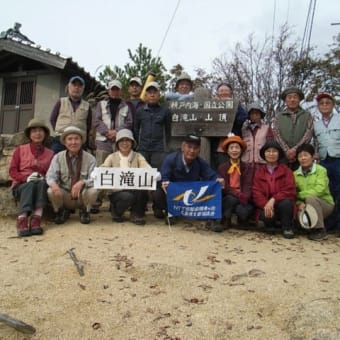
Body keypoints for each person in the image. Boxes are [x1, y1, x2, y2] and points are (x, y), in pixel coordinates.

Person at [153, 134, 224, 229]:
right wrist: (165, 182)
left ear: (199, 150)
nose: (192, 151)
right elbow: (164, 176)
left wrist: (218, 179)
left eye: (195, 148)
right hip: (174, 195)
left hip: (190, 195)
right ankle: (170, 212)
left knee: (214, 188)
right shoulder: (171, 159)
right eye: (189, 147)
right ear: (182, 147)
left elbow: (211, 175)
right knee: (158, 194)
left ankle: (212, 220)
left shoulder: (200, 162)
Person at [9, 118, 54, 236]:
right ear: (29, 134)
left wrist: (42, 177)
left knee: (40, 183)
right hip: (21, 186)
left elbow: (52, 173)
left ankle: (36, 218)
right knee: (29, 185)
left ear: (45, 134)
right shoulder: (20, 150)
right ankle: (22, 218)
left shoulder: (50, 153)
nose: (37, 134)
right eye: (34, 131)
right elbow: (12, 171)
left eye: (40, 131)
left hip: (41, 185)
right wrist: (25, 178)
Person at [46, 126, 98, 225]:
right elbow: (50, 176)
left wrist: (82, 182)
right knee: (50, 190)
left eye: (76, 139)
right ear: (65, 142)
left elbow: (95, 178)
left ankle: (85, 211)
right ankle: (62, 211)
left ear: (81, 141)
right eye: (70, 139)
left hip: (82, 196)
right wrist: (54, 186)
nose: (73, 142)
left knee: (94, 190)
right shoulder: (58, 157)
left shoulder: (90, 158)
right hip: (65, 194)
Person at [100, 129, 152, 225]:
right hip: (117, 192)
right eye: (121, 140)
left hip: (134, 189)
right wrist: (97, 173)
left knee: (143, 190)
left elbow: (146, 167)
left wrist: (153, 173)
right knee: (127, 197)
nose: (125, 143)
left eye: (127, 140)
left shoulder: (138, 156)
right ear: (117, 143)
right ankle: (116, 211)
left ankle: (137, 214)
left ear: (132, 143)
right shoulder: (112, 157)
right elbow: (104, 168)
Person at [252, 141, 296, 239]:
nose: (271, 154)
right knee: (267, 216)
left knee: (287, 203)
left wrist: (273, 199)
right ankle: (270, 225)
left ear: (279, 154)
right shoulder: (259, 172)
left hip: (281, 204)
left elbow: (289, 190)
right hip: (266, 205)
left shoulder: (286, 170)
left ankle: (287, 228)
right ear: (264, 154)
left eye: (274, 151)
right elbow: (256, 192)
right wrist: (266, 204)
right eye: (268, 151)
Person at [294, 144, 334, 241]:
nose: (303, 158)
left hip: (324, 204)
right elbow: (293, 193)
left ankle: (319, 230)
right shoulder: (295, 174)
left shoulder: (321, 170)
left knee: (311, 198)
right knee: (299, 215)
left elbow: (320, 189)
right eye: (300, 156)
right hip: (304, 205)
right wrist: (299, 203)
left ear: (312, 156)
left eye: (305, 155)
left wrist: (300, 195)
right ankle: (308, 227)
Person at [313, 92, 340, 236]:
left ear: (333, 105)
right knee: (327, 192)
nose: (324, 105)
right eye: (321, 103)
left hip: (338, 159)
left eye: (327, 103)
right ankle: (330, 223)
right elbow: (316, 143)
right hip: (324, 160)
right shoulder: (316, 125)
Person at [217, 135, 253, 231]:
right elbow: (225, 187)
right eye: (231, 148)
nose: (234, 150)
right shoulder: (222, 167)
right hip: (229, 195)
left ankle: (242, 220)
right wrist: (237, 194)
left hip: (243, 196)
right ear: (227, 151)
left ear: (241, 150)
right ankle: (226, 219)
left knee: (244, 211)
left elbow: (248, 184)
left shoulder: (248, 167)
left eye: (237, 147)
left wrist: (245, 196)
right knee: (230, 199)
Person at [272, 87, 314, 170]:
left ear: (299, 100)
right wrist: (286, 150)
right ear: (285, 100)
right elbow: (276, 134)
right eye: (289, 97)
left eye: (295, 97)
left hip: (301, 155)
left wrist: (295, 150)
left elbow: (308, 133)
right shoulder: (279, 116)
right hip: (283, 156)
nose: (292, 100)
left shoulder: (307, 115)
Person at [94, 79, 133, 165]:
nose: (115, 91)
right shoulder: (100, 104)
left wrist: (116, 132)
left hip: (119, 142)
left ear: (121, 91)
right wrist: (107, 132)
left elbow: (129, 123)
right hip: (102, 143)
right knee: (101, 168)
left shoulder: (126, 106)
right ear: (108, 91)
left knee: (119, 168)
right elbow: (97, 121)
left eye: (117, 89)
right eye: (113, 89)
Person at [134, 81, 171, 171]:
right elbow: (136, 128)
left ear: (159, 95)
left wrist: (166, 148)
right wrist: (138, 145)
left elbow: (168, 130)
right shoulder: (140, 111)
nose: (152, 95)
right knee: (142, 174)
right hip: (142, 148)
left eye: (155, 92)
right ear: (146, 95)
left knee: (157, 174)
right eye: (150, 93)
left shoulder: (165, 111)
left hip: (158, 149)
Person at [50, 76, 92, 154]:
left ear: (83, 89)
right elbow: (53, 119)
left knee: (81, 163)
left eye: (80, 86)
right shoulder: (61, 101)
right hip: (61, 139)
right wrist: (60, 130)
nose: (77, 88)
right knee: (55, 159)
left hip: (79, 140)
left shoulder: (87, 105)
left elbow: (88, 124)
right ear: (69, 87)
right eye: (74, 85)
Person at [212, 83, 248, 169]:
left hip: (232, 147)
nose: (223, 93)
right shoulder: (212, 105)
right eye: (221, 91)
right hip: (216, 147)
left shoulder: (236, 105)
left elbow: (243, 118)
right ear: (217, 94)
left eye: (226, 91)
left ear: (231, 93)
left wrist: (231, 105)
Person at [241, 103, 273, 178]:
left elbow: (270, 145)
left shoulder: (267, 128)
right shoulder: (243, 130)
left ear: (261, 115)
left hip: (262, 164)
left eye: (257, 114)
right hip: (246, 164)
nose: (254, 116)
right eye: (252, 114)